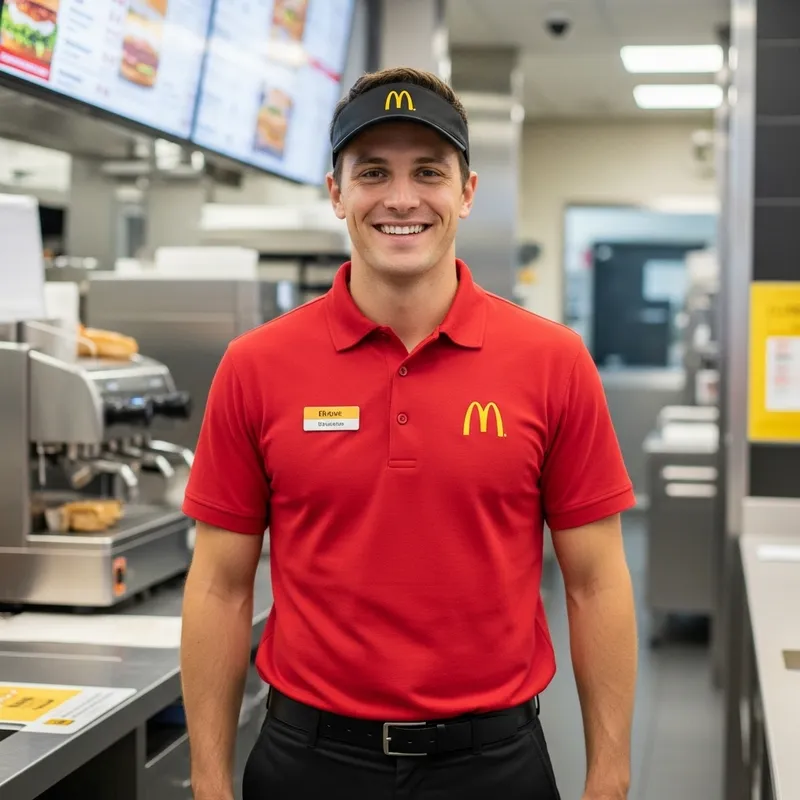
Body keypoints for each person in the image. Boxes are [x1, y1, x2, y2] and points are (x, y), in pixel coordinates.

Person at [180, 66, 638, 800]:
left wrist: (608, 778)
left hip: (493, 767)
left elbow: (597, 582)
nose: (401, 198)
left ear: (466, 191)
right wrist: (208, 782)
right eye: (372, 172)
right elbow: (218, 588)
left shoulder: (553, 362)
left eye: (428, 171)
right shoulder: (255, 366)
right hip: (309, 764)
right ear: (337, 193)